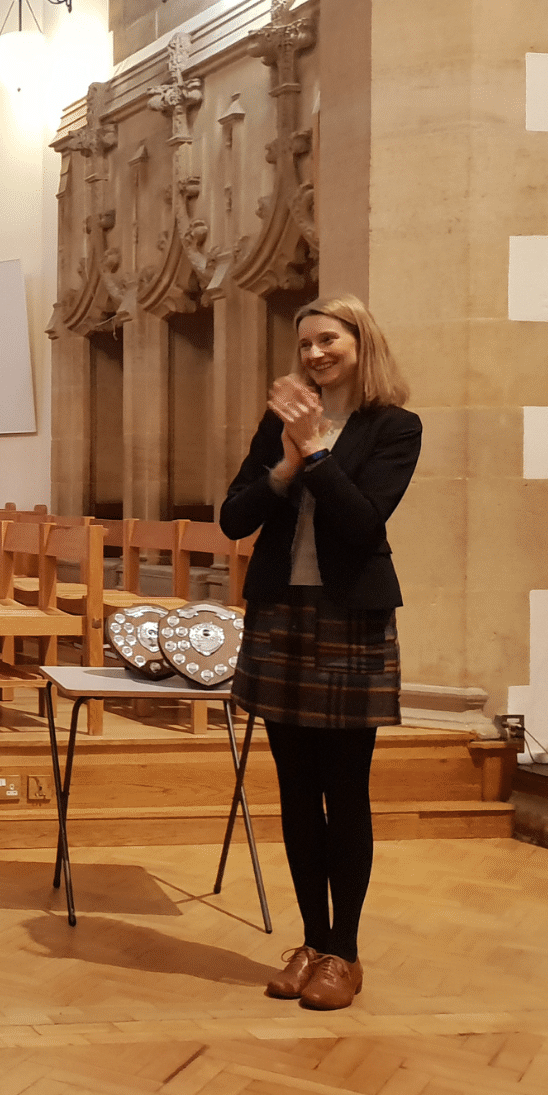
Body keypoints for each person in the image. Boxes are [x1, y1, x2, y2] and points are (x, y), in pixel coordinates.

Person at [220, 294, 421, 1013]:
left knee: (345, 788)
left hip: (349, 621)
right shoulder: (280, 425)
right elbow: (233, 518)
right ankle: (308, 941)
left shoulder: (393, 427)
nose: (313, 354)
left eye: (326, 340)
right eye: (304, 344)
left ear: (360, 343)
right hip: (281, 615)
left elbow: (364, 523)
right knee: (297, 792)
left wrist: (318, 453)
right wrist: (281, 465)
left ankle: (344, 951)